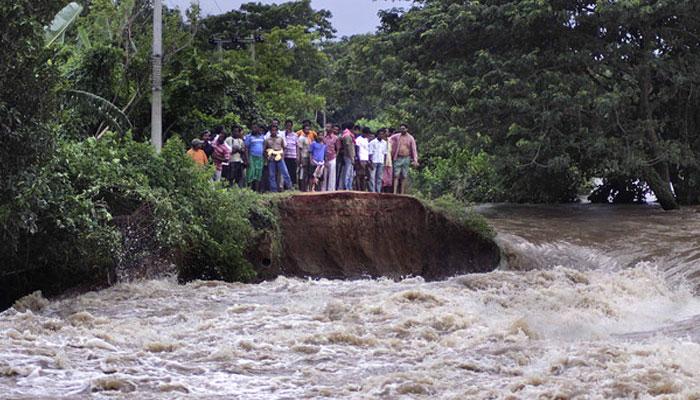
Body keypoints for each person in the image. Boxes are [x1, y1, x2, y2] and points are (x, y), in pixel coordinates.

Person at [390, 123, 419, 194]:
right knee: (396, 175)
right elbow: (390, 139)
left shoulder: (410, 138)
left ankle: (402, 193)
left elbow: (414, 149)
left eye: (403, 129)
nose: (402, 130)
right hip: (398, 157)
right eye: (401, 129)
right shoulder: (397, 136)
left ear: (407, 129)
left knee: (404, 176)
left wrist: (415, 160)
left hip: (406, 158)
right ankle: (394, 192)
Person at [265, 124, 293, 192]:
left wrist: (283, 155)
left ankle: (290, 188)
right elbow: (265, 150)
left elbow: (284, 147)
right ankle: (273, 190)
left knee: (285, 172)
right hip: (271, 157)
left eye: (275, 130)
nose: (273, 131)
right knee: (272, 175)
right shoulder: (267, 140)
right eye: (272, 130)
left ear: (277, 131)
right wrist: (267, 157)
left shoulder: (280, 139)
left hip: (280, 157)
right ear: (270, 131)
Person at [245, 124, 266, 191]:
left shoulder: (262, 137)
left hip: (260, 158)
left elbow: (264, 146)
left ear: (258, 129)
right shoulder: (249, 137)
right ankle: (249, 191)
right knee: (251, 174)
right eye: (252, 128)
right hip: (252, 157)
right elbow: (246, 149)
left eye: (255, 128)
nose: (253, 129)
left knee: (258, 174)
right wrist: (247, 159)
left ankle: (257, 191)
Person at [322, 123, 341, 191]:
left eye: (328, 127)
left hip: (332, 158)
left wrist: (336, 156)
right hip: (324, 158)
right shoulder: (324, 137)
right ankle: (323, 190)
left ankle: (331, 190)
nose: (327, 128)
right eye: (326, 127)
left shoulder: (335, 138)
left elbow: (338, 148)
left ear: (332, 128)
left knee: (332, 175)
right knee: (324, 175)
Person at [368, 128, 388, 193]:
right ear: (377, 134)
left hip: (381, 161)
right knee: (372, 177)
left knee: (379, 177)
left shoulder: (385, 143)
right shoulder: (372, 142)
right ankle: (372, 191)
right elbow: (370, 153)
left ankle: (378, 191)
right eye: (380, 134)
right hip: (374, 161)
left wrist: (384, 162)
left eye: (382, 134)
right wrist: (370, 162)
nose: (381, 135)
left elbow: (385, 153)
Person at [282, 120, 298, 188]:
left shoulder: (295, 135)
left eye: (290, 125)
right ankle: (286, 186)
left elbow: (297, 146)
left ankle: (293, 186)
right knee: (286, 172)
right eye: (287, 125)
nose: (288, 127)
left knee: (293, 172)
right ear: (285, 126)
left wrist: (297, 156)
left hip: (293, 156)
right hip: (285, 156)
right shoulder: (282, 134)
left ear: (292, 126)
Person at [340, 122, 356, 190]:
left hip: (350, 156)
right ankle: (346, 186)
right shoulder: (347, 136)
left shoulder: (349, 135)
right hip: (348, 156)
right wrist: (351, 157)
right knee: (348, 172)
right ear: (352, 128)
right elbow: (348, 147)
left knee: (350, 172)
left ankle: (349, 186)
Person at [297, 124, 312, 191]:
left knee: (307, 173)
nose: (307, 130)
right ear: (303, 130)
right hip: (303, 157)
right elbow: (299, 149)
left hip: (308, 157)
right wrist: (300, 159)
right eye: (306, 129)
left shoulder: (308, 138)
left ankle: (306, 188)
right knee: (302, 173)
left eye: (308, 129)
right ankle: (302, 188)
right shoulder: (301, 138)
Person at [355, 127, 371, 191]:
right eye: (367, 134)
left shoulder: (367, 140)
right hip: (360, 159)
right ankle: (358, 189)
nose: (367, 135)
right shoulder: (358, 140)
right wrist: (359, 160)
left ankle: (363, 189)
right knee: (359, 175)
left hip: (366, 159)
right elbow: (357, 150)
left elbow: (367, 150)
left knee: (365, 176)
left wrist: (368, 160)